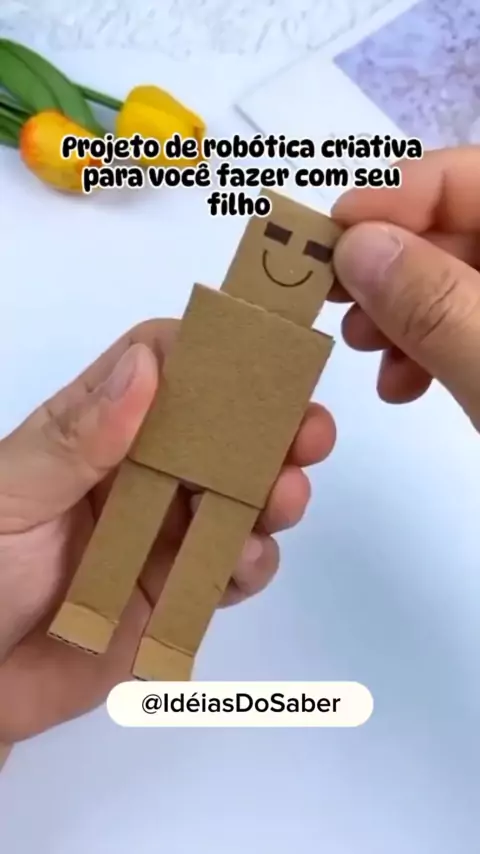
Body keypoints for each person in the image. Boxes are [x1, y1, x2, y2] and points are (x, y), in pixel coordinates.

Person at [0, 146, 478, 746]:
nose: (290, 256)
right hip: (169, 439)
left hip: (241, 466)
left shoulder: (299, 349)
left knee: (213, 547)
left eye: (310, 251)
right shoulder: (215, 317)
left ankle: (170, 645)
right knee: (132, 518)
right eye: (277, 237)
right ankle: (88, 612)